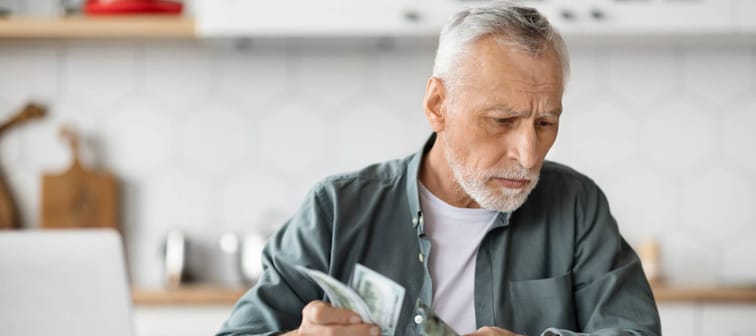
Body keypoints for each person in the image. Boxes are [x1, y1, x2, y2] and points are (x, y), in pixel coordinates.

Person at [217, 2, 661, 336]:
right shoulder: (336, 210)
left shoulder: (577, 207)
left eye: (545, 123)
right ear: (437, 105)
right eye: (502, 120)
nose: (528, 155)